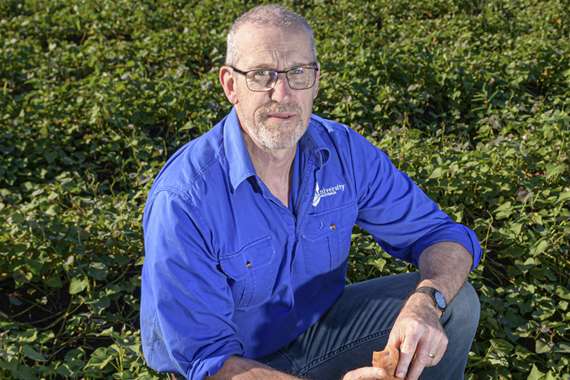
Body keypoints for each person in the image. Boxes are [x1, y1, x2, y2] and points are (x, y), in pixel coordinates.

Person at [140, 4, 482, 380]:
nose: (282, 93)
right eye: (262, 75)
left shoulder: (342, 151)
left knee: (456, 303)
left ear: (316, 80)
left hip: (316, 334)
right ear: (230, 85)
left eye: (298, 72)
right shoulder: (185, 198)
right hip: (231, 366)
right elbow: (208, 361)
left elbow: (442, 235)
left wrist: (425, 304)